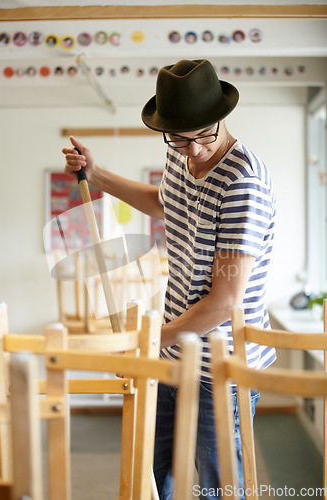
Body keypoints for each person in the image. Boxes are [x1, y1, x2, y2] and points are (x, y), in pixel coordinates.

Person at [62, 59, 276, 499]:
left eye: (204, 135)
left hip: (223, 363)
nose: (193, 150)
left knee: (217, 487)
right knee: (156, 476)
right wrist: (96, 173)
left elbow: (225, 301)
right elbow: (164, 204)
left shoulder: (242, 182)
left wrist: (150, 340)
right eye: (180, 139)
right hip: (176, 350)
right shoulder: (179, 151)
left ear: (222, 117)